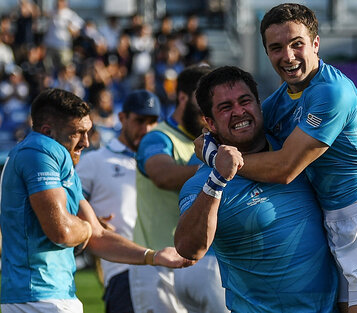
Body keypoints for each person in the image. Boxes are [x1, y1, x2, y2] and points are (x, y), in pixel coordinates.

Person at [198, 4, 357, 313]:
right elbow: (209, 136)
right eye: (276, 48)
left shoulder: (331, 91)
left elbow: (285, 168)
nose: (288, 56)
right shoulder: (279, 101)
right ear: (267, 53)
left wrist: (219, 163)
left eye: (296, 43)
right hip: (330, 228)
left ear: (315, 43)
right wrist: (210, 150)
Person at [0, 88, 193, 313]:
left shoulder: (60, 159)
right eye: (77, 133)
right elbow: (63, 231)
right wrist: (85, 227)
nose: (86, 142)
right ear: (48, 131)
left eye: (88, 132)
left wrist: (153, 256)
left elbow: (98, 235)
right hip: (35, 299)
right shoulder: (39, 151)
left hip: (52, 295)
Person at [175, 66, 339, 312]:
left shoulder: (294, 152)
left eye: (245, 101)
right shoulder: (201, 183)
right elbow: (188, 247)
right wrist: (217, 179)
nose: (239, 112)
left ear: (259, 104)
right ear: (210, 123)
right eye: (226, 107)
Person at [129, 65, 227, 313]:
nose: (207, 107)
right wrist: (217, 171)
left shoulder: (211, 140)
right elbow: (162, 175)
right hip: (157, 264)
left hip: (197, 259)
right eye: (201, 98)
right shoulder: (159, 137)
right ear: (182, 96)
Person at [75, 90, 161, 312]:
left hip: (170, 267)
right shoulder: (94, 161)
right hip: (124, 270)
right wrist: (90, 222)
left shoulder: (165, 163)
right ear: (122, 118)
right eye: (140, 121)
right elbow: (70, 207)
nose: (146, 129)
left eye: (152, 122)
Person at [42, 0, 84, 74]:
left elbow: (77, 29)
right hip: (50, 45)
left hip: (63, 47)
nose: (59, 3)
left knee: (65, 68)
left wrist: (71, 29)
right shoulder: (51, 12)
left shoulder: (70, 14)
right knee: (48, 68)